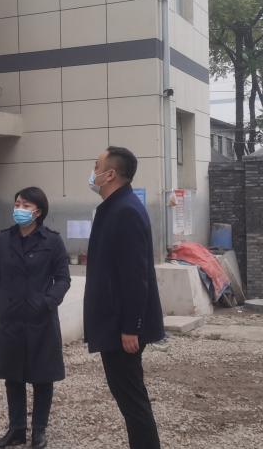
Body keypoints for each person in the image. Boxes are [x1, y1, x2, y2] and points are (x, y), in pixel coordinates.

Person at [84, 147, 165, 449]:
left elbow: (135, 276)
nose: (92, 172)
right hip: (114, 322)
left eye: (96, 166)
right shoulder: (114, 207)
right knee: (128, 397)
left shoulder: (125, 210)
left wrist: (132, 326)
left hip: (122, 327)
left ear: (110, 174)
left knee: (132, 399)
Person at [0, 187, 71, 449]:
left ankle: (39, 431)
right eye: (17, 204)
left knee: (42, 376)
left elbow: (63, 278)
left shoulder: (52, 241)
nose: (19, 209)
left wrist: (47, 302)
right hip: (10, 317)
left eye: (25, 205)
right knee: (12, 376)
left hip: (41, 319)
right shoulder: (4, 239)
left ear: (38, 211)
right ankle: (16, 430)